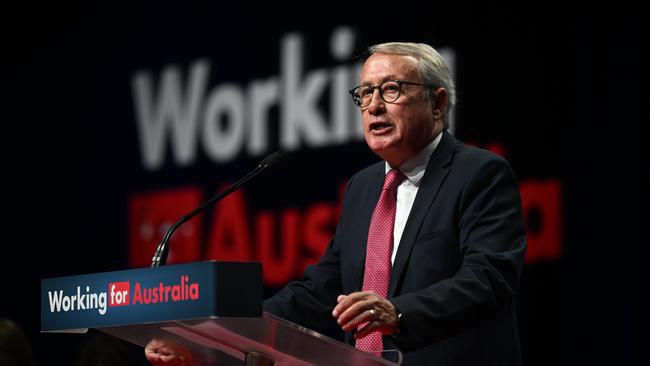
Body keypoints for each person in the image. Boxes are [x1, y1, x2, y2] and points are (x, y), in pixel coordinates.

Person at [146, 42, 526, 366]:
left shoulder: (478, 173)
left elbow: (489, 278)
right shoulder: (363, 187)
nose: (374, 106)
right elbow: (319, 291)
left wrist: (399, 312)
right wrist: (213, 337)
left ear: (438, 103)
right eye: (364, 93)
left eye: (391, 89)